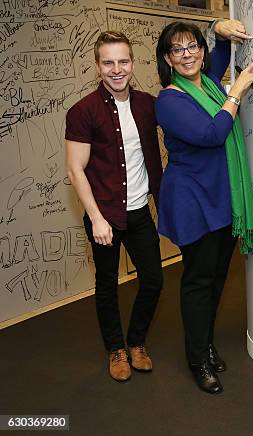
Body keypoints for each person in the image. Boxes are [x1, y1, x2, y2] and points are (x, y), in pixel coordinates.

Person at [154, 20, 253, 394]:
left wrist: (215, 26)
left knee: (216, 278)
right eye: (178, 50)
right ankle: (197, 358)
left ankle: (206, 343)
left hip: (221, 196)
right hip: (193, 200)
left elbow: (220, 48)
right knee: (198, 281)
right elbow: (212, 134)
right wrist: (238, 91)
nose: (188, 55)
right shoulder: (169, 99)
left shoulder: (209, 82)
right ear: (167, 58)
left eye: (193, 46)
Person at [65, 31, 163, 382]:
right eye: (108, 62)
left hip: (139, 213)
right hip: (103, 215)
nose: (116, 69)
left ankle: (136, 342)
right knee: (107, 284)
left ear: (132, 63)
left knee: (153, 280)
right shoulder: (82, 112)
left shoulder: (148, 104)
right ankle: (116, 350)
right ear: (97, 66)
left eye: (123, 61)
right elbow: (76, 169)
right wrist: (96, 218)